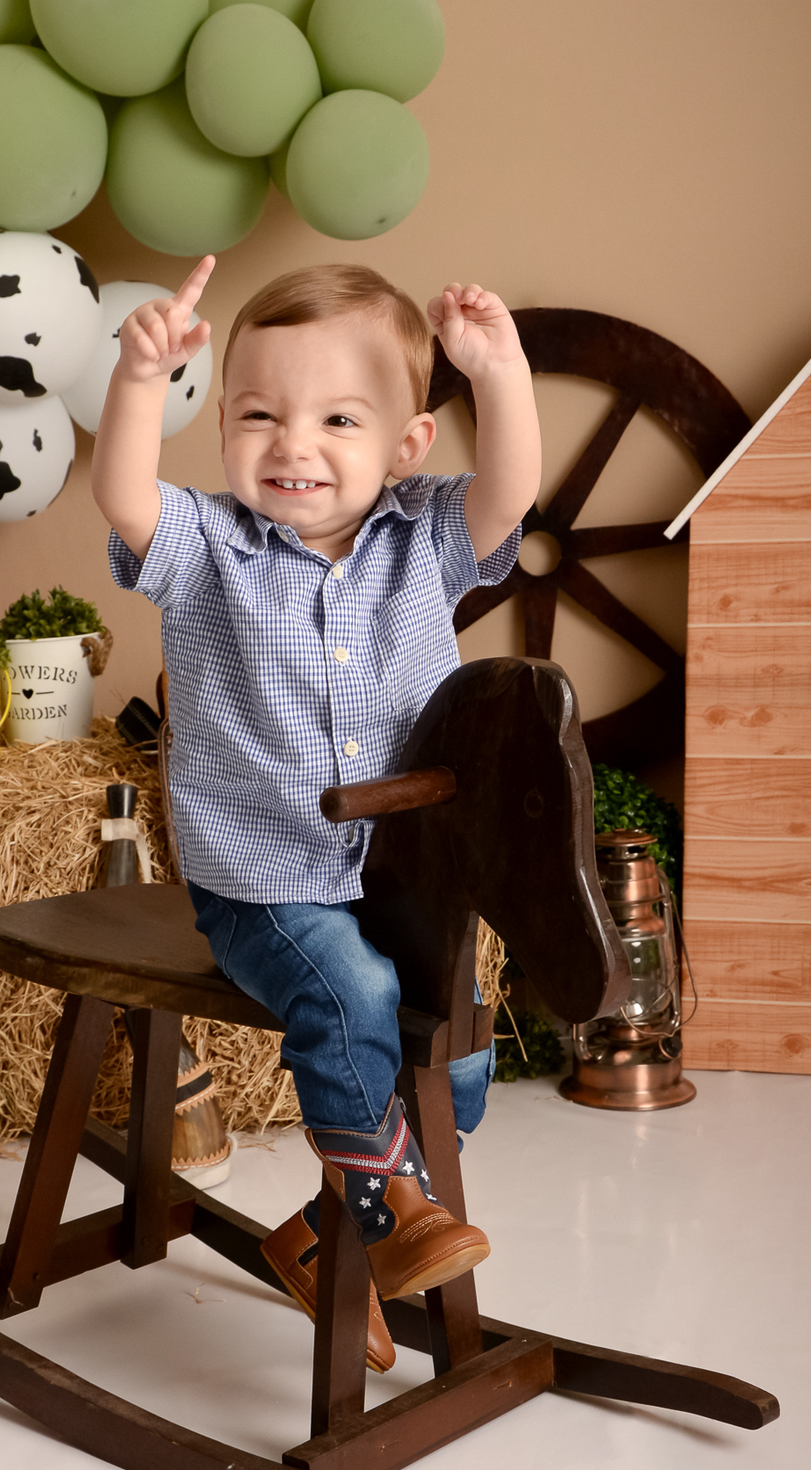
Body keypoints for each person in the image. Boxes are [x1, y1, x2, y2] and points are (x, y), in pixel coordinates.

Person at [92, 255, 541, 1372]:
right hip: (265, 882)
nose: (294, 445)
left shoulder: (426, 540)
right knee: (359, 993)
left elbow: (512, 492)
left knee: (465, 1047)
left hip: (397, 873)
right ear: (226, 427)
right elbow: (124, 496)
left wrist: (502, 371)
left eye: (338, 418)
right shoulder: (208, 550)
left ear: (405, 447)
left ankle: (323, 1230)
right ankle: (390, 1207)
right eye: (260, 415)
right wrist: (141, 378)